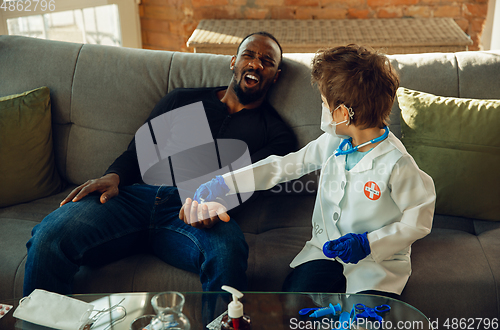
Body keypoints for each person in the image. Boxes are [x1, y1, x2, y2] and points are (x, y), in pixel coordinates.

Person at [23, 31, 296, 297]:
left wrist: (215, 202)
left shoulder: (277, 134)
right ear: (233, 61)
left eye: (267, 61)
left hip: (196, 209)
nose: (256, 64)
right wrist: (114, 175)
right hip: (133, 200)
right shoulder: (181, 99)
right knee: (49, 237)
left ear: (276, 76)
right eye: (248, 55)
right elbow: (137, 153)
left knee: (227, 251)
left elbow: (249, 179)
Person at [184, 44, 436, 298]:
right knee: (293, 307)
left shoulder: (396, 162)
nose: (323, 109)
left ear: (341, 114)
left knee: (364, 322)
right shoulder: (334, 142)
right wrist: (227, 182)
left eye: (325, 103)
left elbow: (419, 218)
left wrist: (368, 243)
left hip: (375, 262)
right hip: (325, 251)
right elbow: (282, 167)